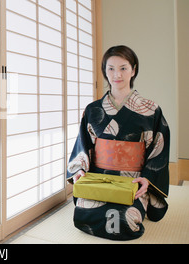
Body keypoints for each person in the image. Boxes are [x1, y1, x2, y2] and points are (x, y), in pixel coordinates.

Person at [67, 45, 170, 240]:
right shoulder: (92, 109)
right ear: (105, 71)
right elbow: (83, 145)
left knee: (126, 220)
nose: (117, 74)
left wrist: (146, 179)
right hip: (100, 180)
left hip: (132, 182)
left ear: (133, 69)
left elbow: (159, 148)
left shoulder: (151, 110)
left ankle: (141, 202)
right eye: (111, 68)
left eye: (123, 68)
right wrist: (80, 169)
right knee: (82, 214)